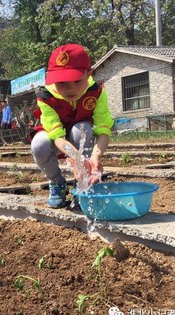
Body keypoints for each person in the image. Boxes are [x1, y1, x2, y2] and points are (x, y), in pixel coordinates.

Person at [31, 43, 114, 208]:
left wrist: (95, 157)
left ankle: (83, 183)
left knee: (82, 129)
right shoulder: (46, 96)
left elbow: (103, 129)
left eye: (77, 81)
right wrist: (76, 158)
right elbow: (56, 136)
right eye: (61, 83)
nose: (70, 89)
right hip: (55, 142)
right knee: (39, 144)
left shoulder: (96, 91)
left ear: (89, 73)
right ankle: (56, 182)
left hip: (80, 136)